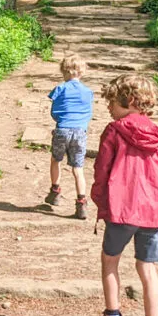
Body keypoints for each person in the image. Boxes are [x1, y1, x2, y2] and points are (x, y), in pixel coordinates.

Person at [90, 73, 158, 316]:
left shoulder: (114, 131)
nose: (108, 108)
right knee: (147, 268)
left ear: (127, 101)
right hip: (152, 212)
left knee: (110, 262)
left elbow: (102, 170)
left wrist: (100, 201)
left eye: (112, 102)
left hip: (121, 208)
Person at [45, 54, 94, 220]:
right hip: (80, 132)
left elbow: (54, 110)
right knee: (78, 168)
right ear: (82, 72)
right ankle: (81, 202)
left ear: (64, 71)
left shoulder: (60, 88)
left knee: (55, 160)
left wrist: (59, 120)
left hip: (62, 129)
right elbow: (88, 111)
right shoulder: (88, 92)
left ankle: (55, 192)